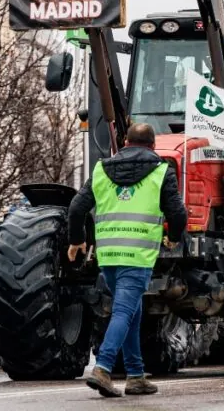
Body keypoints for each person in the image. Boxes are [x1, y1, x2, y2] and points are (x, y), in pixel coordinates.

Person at [67, 123, 187, 398]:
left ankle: (135, 375)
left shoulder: (100, 170)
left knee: (131, 311)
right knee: (124, 311)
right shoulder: (161, 171)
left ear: (124, 141)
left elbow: (76, 208)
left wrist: (77, 241)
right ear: (153, 145)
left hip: (108, 255)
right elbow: (177, 213)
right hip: (138, 254)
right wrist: (174, 237)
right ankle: (104, 368)